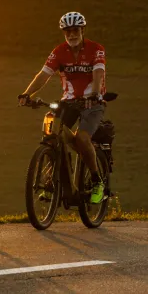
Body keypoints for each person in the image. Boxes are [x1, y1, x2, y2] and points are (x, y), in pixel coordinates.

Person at [17, 12, 109, 203]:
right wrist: (27, 94)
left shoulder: (96, 49)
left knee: (82, 138)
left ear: (82, 30)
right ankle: (52, 181)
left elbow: (98, 73)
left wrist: (94, 93)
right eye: (68, 31)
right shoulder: (59, 51)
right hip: (68, 102)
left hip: (92, 102)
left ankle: (96, 180)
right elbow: (44, 75)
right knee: (52, 135)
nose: (72, 35)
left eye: (75, 30)